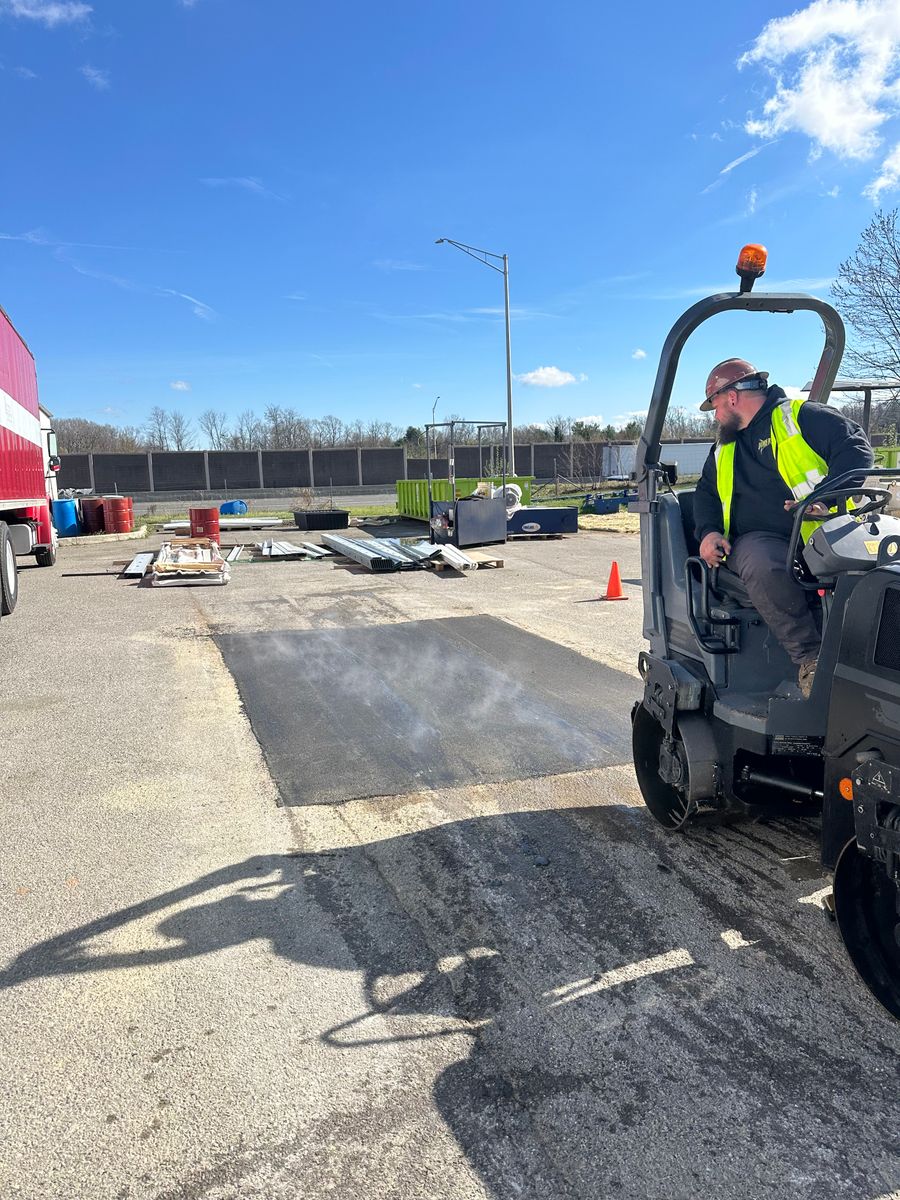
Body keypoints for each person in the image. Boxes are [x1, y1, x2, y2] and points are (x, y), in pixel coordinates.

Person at [692, 358, 873, 698]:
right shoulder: (723, 448)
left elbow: (856, 449)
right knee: (764, 561)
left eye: (714, 406)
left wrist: (827, 498)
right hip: (761, 543)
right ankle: (811, 659)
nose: (715, 416)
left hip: (826, 534)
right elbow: (706, 493)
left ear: (731, 398)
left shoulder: (801, 417)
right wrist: (709, 533)